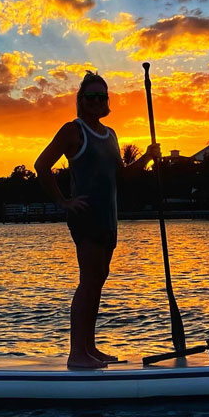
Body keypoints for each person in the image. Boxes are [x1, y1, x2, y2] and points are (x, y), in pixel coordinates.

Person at [34, 71, 160, 368]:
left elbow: (122, 176)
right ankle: (77, 353)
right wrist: (63, 201)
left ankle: (90, 348)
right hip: (86, 218)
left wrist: (148, 157)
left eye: (102, 97)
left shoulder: (111, 134)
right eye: (90, 96)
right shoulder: (73, 131)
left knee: (98, 283)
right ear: (81, 100)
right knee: (88, 283)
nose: (96, 102)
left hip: (109, 218)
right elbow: (41, 165)